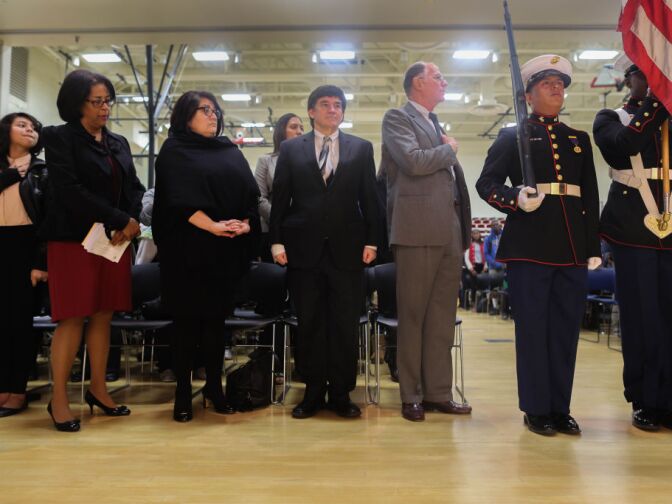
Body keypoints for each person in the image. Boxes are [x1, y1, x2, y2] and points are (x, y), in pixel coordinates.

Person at [476, 55, 601, 436]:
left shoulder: (579, 140)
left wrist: (591, 246)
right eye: (547, 83)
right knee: (534, 332)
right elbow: (487, 183)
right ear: (528, 95)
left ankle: (560, 408)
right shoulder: (512, 136)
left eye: (561, 83)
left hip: (572, 250)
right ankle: (536, 408)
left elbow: (590, 198)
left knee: (565, 332)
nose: (557, 88)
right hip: (530, 247)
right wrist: (515, 198)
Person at [41, 70, 144, 432]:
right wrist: (118, 217)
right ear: (76, 103)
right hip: (73, 239)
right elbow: (69, 190)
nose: (105, 108)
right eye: (97, 101)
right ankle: (58, 401)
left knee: (103, 314)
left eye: (108, 101)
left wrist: (129, 219)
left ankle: (98, 390)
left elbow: (135, 185)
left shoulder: (117, 142)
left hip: (112, 240)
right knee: (72, 316)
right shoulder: (58, 138)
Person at [270, 84, 379, 419]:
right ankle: (313, 392)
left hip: (349, 251)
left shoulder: (361, 149)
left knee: (345, 325)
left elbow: (370, 200)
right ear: (311, 111)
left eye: (338, 105)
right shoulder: (291, 150)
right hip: (303, 250)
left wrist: (373, 241)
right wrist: (276, 241)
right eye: (326, 104)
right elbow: (280, 200)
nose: (333, 109)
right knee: (311, 323)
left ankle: (342, 393)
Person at [153, 90, 260, 422]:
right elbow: (176, 200)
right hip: (187, 249)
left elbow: (249, 194)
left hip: (224, 250)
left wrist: (243, 225)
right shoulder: (173, 151)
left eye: (215, 111)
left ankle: (216, 389)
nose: (213, 116)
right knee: (186, 325)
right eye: (204, 110)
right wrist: (211, 225)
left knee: (217, 324)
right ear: (186, 116)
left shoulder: (228, 150)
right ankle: (183, 393)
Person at [381, 61, 472, 422]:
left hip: (448, 230)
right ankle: (411, 394)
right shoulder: (397, 118)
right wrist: (449, 149)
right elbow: (413, 162)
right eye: (438, 77)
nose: (444, 82)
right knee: (414, 315)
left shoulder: (434, 123)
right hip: (417, 229)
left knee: (442, 319)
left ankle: (438, 392)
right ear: (418, 83)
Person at [593, 63, 672, 431]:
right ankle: (644, 398)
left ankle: (668, 398)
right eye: (648, 76)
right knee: (642, 320)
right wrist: (656, 105)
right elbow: (625, 145)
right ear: (631, 81)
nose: (657, 83)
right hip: (634, 231)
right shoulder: (611, 117)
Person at [0, 112, 48, 418]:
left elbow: (49, 220)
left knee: (19, 324)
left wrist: (41, 261)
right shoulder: (6, 168)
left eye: (32, 127)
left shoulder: (43, 171)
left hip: (26, 246)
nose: (29, 130)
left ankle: (17, 390)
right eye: (21, 125)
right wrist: (10, 175)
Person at [254, 113, 303, 262]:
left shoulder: (310, 162)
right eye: (294, 127)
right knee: (275, 280)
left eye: (301, 128)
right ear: (281, 131)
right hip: (271, 230)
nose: (299, 131)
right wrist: (279, 221)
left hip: (301, 230)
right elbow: (259, 198)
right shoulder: (265, 161)